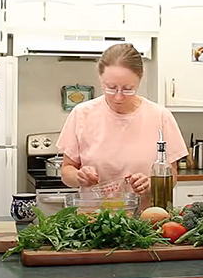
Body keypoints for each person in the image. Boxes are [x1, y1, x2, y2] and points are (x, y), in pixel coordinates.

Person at [56, 43, 188, 209]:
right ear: (100, 79)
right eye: (110, 88)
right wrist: (79, 177)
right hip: (93, 222)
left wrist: (150, 184)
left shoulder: (160, 117)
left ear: (140, 80)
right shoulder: (82, 114)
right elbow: (67, 171)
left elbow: (173, 175)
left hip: (146, 224)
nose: (118, 97)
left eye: (127, 89)